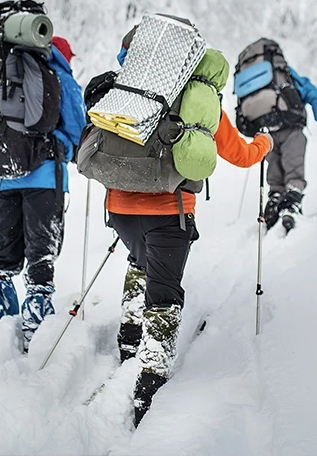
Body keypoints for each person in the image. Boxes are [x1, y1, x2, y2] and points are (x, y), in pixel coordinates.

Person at [103, 37, 273, 427]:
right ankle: (150, 382)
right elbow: (243, 155)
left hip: (119, 208)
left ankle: (129, 339)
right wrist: (265, 142)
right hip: (169, 211)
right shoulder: (199, 102)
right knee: (164, 292)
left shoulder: (125, 88)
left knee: (137, 262)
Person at [0, 35, 86, 351]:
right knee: (41, 252)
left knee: (5, 252)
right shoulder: (59, 76)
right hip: (44, 177)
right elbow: (77, 129)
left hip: (5, 176)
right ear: (63, 54)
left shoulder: (5, 74)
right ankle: (36, 331)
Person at [263, 67, 317, 232]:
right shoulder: (294, 78)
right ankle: (290, 208)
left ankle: (274, 202)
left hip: (269, 132)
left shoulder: (262, 82)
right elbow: (314, 96)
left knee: (275, 173)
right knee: (294, 171)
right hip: (292, 130)